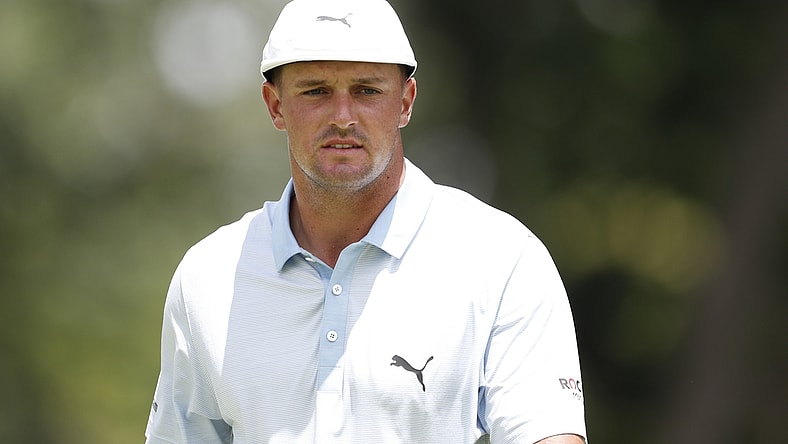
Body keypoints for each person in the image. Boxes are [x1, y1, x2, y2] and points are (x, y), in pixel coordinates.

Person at [144, 0, 588, 442]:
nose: (343, 117)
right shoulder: (209, 277)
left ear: (405, 102)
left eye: (367, 91)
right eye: (316, 91)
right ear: (275, 105)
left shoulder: (502, 258)